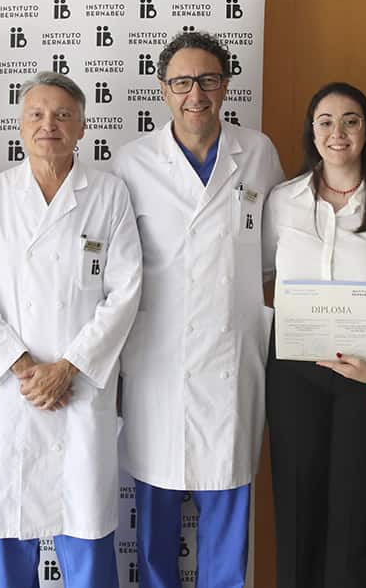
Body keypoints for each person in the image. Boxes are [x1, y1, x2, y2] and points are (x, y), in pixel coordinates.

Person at [0, 71, 142, 587]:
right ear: (20, 125)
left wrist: (69, 367)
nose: (48, 125)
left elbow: (125, 290)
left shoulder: (108, 194)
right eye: (36, 114)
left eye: (62, 115)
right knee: (12, 535)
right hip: (15, 393)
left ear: (83, 127)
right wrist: (23, 366)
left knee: (85, 531)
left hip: (79, 392)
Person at [112, 31, 284, 588]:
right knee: (156, 509)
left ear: (225, 85)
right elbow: (118, 266)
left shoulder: (257, 153)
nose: (196, 94)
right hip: (158, 357)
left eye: (208, 80)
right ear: (164, 90)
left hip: (232, 357)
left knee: (229, 504)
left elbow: (277, 258)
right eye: (182, 82)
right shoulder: (133, 162)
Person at [261, 82, 366, 588]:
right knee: (296, 505)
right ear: (312, 132)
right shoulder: (281, 202)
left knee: (361, 512)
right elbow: (265, 277)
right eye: (326, 121)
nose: (338, 132)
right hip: (294, 372)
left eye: (351, 120)